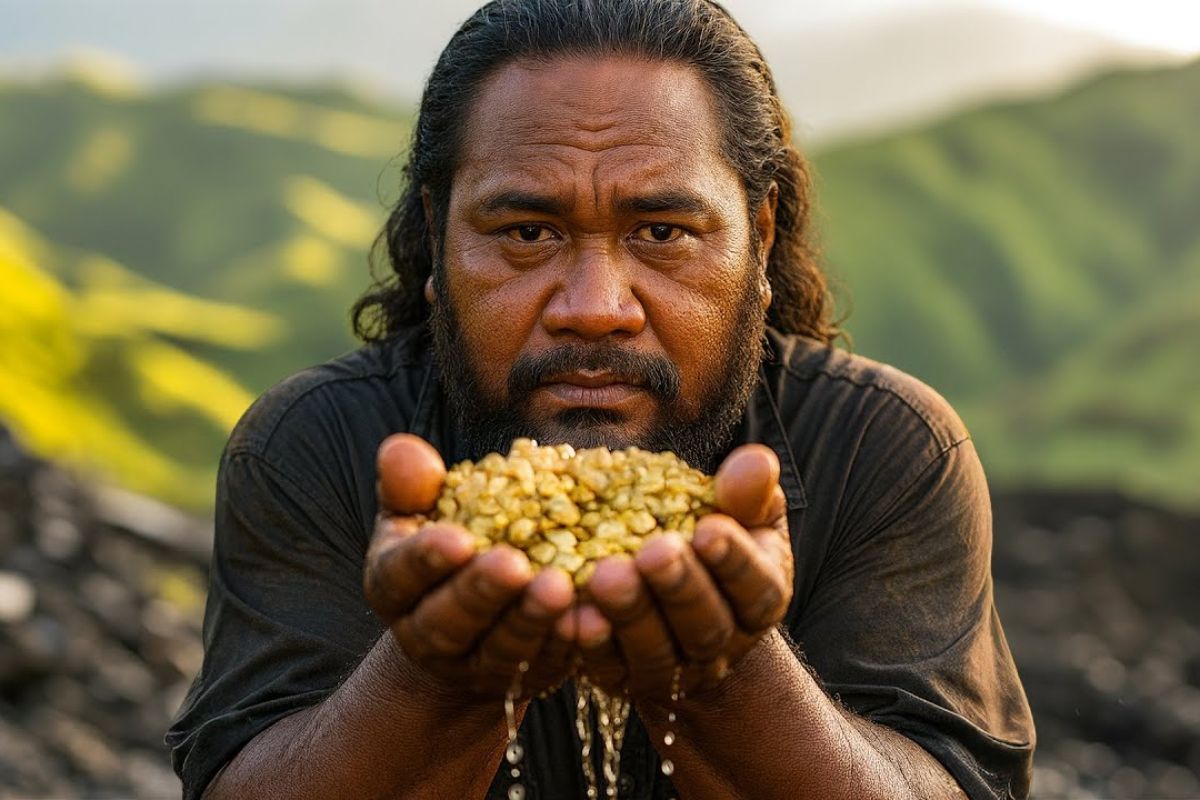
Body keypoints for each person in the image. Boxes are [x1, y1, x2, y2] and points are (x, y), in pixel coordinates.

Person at [167, 1, 1035, 798]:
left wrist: (729, 671)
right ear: (437, 236)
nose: (594, 307)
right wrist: (434, 676)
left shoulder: (883, 449)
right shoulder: (314, 447)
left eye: (662, 232)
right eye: (526, 232)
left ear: (759, 238)